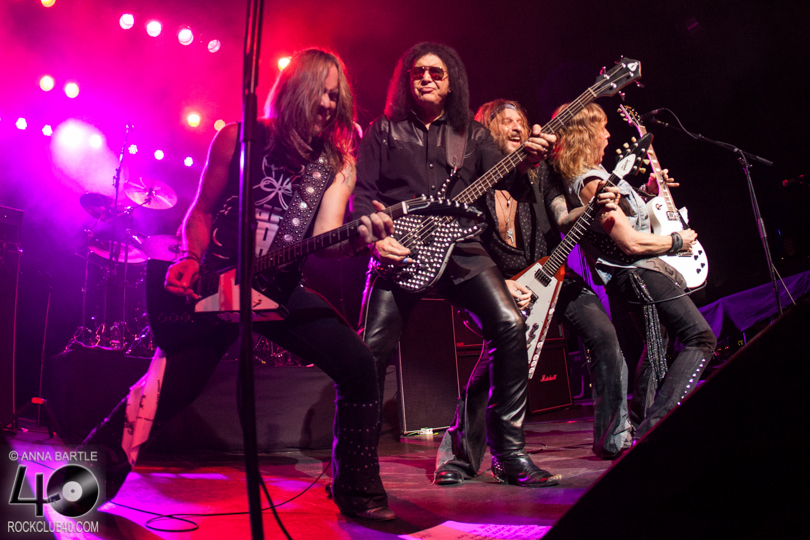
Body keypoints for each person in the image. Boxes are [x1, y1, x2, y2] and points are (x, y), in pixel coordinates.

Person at [79, 48, 398, 521]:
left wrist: (355, 241)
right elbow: (201, 211)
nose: (328, 104)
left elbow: (325, 238)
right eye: (320, 92)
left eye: (336, 96)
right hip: (218, 286)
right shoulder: (238, 138)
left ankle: (356, 488)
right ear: (293, 90)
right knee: (170, 388)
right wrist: (190, 258)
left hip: (279, 290)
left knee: (358, 363)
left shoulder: (336, 163)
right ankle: (85, 478)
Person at [353, 42, 560, 487]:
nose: (426, 78)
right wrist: (376, 240)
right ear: (406, 80)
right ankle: (354, 465)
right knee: (369, 351)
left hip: (462, 247)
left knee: (509, 325)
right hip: (401, 247)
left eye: (436, 73)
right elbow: (361, 194)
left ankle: (510, 454)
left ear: (451, 84)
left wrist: (530, 161)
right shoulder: (383, 130)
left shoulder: (474, 135)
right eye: (418, 72)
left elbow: (512, 184)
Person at [433, 99, 630, 485]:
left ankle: (613, 438)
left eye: (521, 122)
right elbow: (465, 246)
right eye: (506, 122)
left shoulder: (541, 176)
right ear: (486, 133)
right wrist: (501, 283)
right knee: (496, 364)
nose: (516, 128)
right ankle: (459, 458)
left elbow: (563, 218)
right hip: (499, 282)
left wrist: (593, 206)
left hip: (554, 275)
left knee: (605, 337)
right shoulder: (475, 185)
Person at [552, 102, 716, 441]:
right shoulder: (591, 183)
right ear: (585, 135)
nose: (608, 134)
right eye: (602, 128)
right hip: (637, 272)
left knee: (656, 347)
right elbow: (629, 242)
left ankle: (643, 425)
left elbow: (627, 215)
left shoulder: (598, 177)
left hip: (638, 274)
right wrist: (676, 241)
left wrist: (648, 192)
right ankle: (656, 426)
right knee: (700, 338)